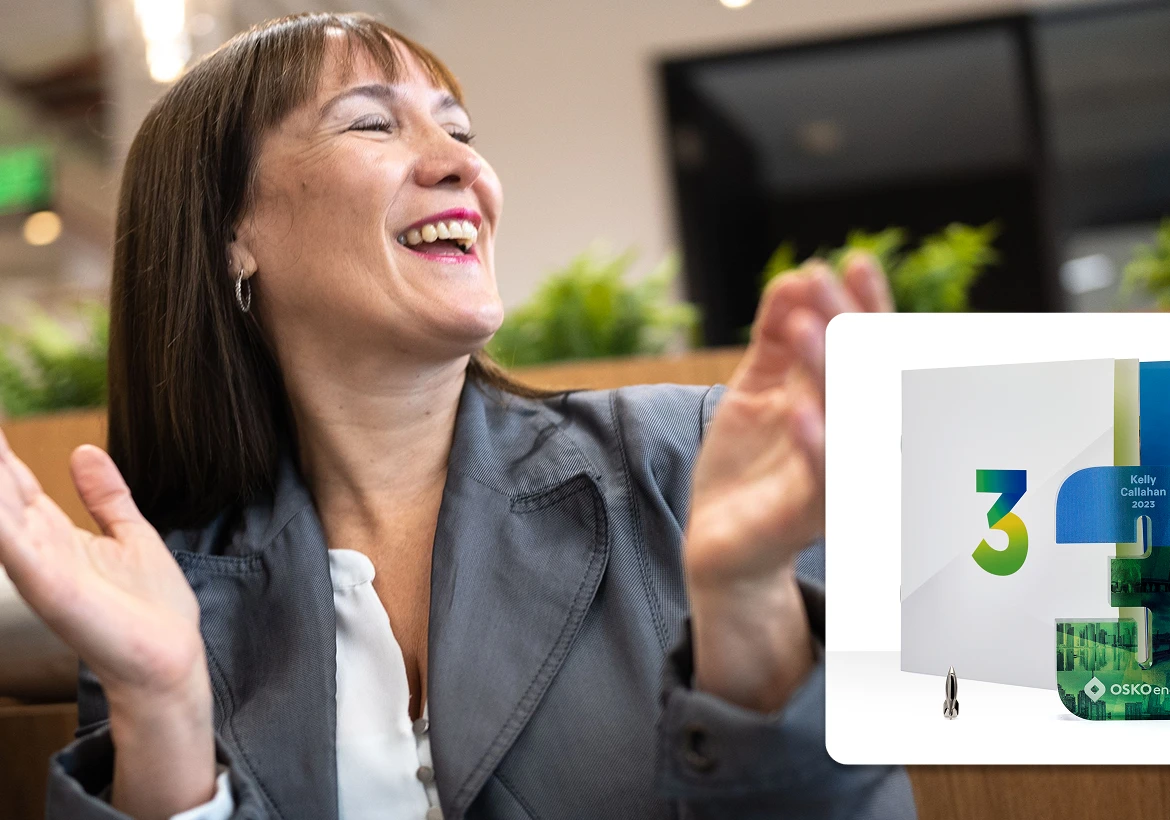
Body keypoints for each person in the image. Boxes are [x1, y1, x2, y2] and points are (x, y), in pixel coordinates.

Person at [0, 12, 917, 820]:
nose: (463, 167)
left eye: (460, 130)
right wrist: (160, 701)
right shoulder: (167, 589)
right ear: (233, 230)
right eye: (371, 122)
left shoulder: (695, 458)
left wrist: (748, 600)